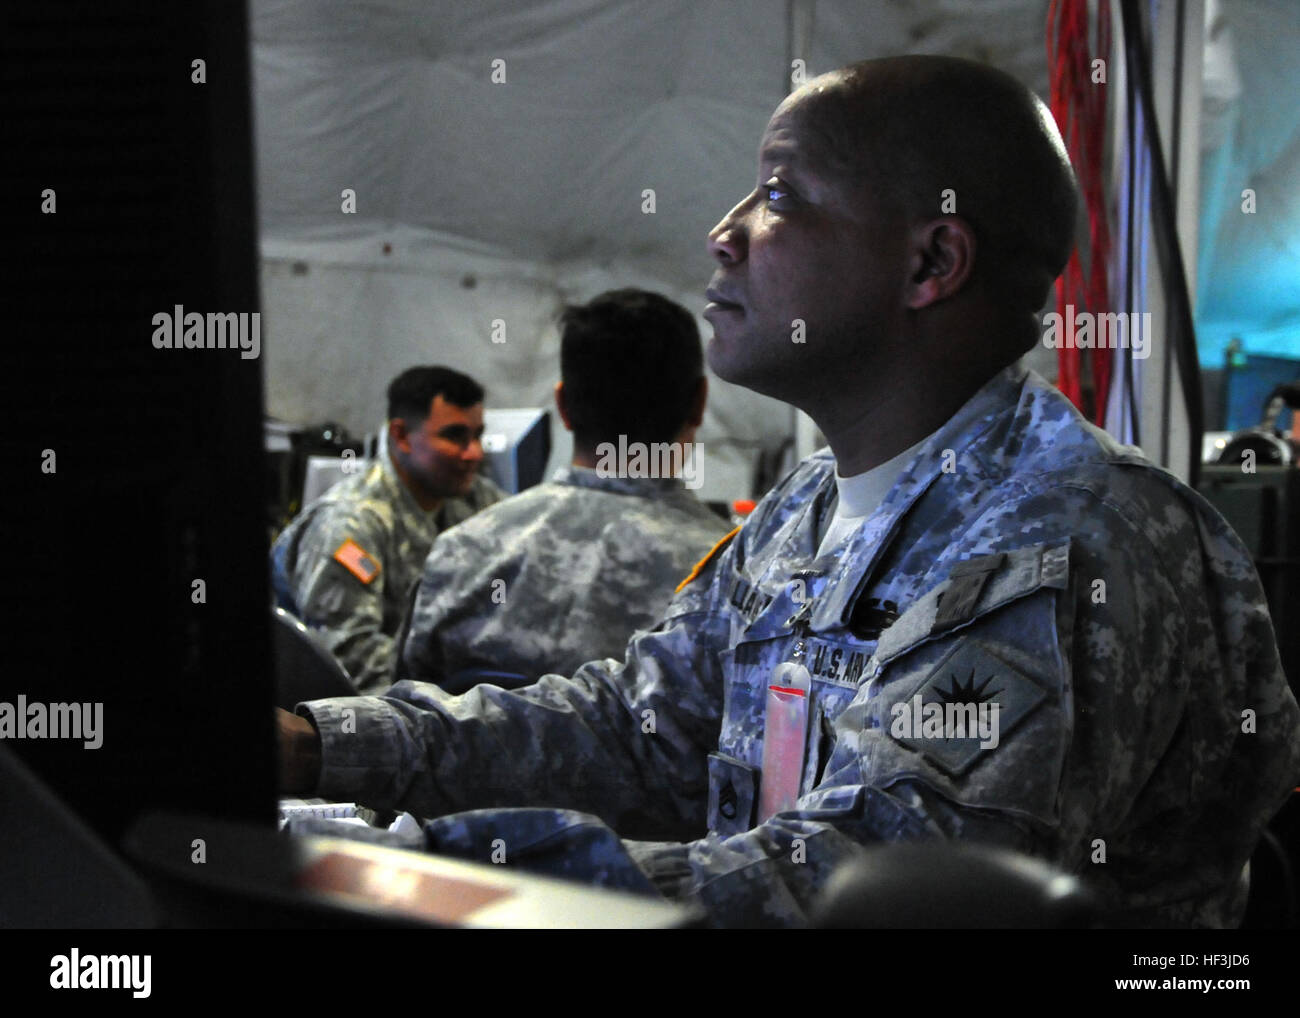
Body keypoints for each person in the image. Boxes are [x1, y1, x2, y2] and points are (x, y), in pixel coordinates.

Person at [277, 56, 1300, 927]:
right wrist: (328, 748)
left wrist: (415, 873)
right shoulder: (806, 512)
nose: (723, 235)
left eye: (777, 197)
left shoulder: (1070, 535)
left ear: (931, 260)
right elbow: (637, 730)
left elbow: (865, 879)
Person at [396, 289, 731, 693]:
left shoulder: (462, 550)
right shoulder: (729, 578)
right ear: (699, 403)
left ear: (563, 406)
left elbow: (410, 717)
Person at [271, 366, 504, 692]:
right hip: (363, 718)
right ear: (401, 436)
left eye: (477, 435)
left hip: (439, 702)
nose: (474, 453)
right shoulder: (349, 524)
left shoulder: (475, 499)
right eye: (454, 436)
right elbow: (350, 661)